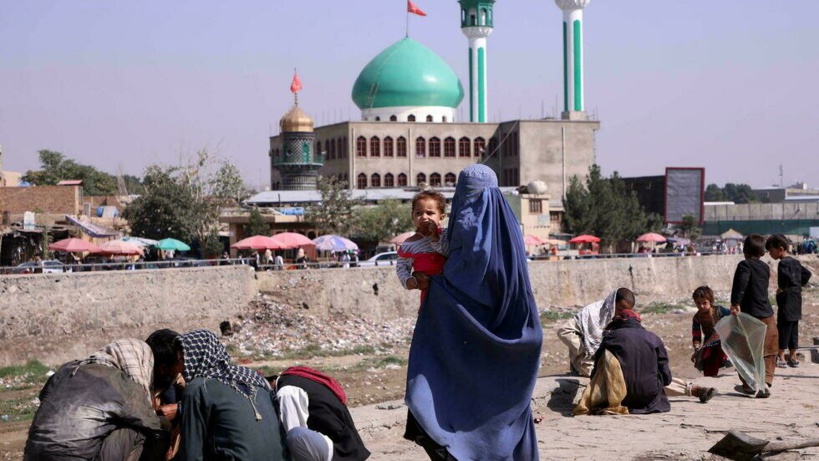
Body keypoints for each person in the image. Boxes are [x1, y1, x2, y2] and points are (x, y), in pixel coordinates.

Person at [404, 164, 543, 460]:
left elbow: (465, 283)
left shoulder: (466, 230)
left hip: (460, 341)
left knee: (432, 399)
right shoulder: (509, 235)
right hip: (500, 344)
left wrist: (434, 285)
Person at [558, 287, 717, 402]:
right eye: (619, 308)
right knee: (626, 376)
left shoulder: (624, 319)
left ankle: (692, 389)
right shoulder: (591, 313)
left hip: (615, 358)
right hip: (590, 363)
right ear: (612, 302)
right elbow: (564, 331)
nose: (621, 313)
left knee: (646, 372)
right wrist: (586, 349)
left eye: (625, 310)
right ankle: (690, 390)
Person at [24, 338, 169, 460]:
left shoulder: (65, 370)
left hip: (32, 454)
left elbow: (45, 397)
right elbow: (152, 424)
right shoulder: (117, 380)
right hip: (75, 457)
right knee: (149, 428)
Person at [175, 329, 288, 460]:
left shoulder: (198, 388)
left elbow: (191, 454)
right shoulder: (256, 378)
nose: (179, 368)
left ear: (197, 357)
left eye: (182, 360)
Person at [575, 308, 671, 414]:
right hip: (649, 396)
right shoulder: (654, 338)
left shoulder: (611, 337)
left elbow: (597, 367)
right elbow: (667, 378)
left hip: (620, 396)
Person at [270, 366, 370, 461]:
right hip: (348, 442)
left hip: (339, 450)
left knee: (295, 435)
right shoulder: (294, 378)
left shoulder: (286, 392)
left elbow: (293, 427)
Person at [731, 233, 777, 395]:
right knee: (769, 349)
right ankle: (767, 382)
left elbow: (741, 285)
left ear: (744, 251)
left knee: (742, 349)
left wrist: (735, 303)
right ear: (763, 253)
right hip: (767, 314)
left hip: (749, 316)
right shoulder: (765, 267)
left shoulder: (744, 265)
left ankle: (749, 384)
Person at [396, 189, 449, 307]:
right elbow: (402, 266)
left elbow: (449, 252)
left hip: (451, 288)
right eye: (418, 213)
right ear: (412, 216)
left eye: (430, 213)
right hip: (429, 292)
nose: (424, 217)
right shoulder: (409, 244)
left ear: (441, 217)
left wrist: (435, 238)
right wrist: (409, 281)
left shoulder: (446, 235)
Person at [766, 234, 812, 368]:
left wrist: (782, 289)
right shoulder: (795, 262)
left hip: (787, 298)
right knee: (793, 325)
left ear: (780, 249)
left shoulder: (783, 263)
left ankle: (781, 356)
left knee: (784, 326)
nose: (770, 254)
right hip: (797, 296)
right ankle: (793, 356)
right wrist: (798, 284)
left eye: (772, 250)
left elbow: (783, 282)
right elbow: (807, 274)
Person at [146, 328, 185, 460]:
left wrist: (180, 409)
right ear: (163, 368)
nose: (183, 366)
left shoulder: (181, 383)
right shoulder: (140, 389)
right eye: (180, 361)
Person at [690, 286, 731, 376]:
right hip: (709, 343)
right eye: (698, 303)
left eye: (704, 303)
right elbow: (696, 335)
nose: (701, 306)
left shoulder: (719, 310)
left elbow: (732, 318)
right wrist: (697, 350)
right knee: (708, 362)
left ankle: (728, 358)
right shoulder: (697, 317)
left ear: (711, 302)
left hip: (725, 340)